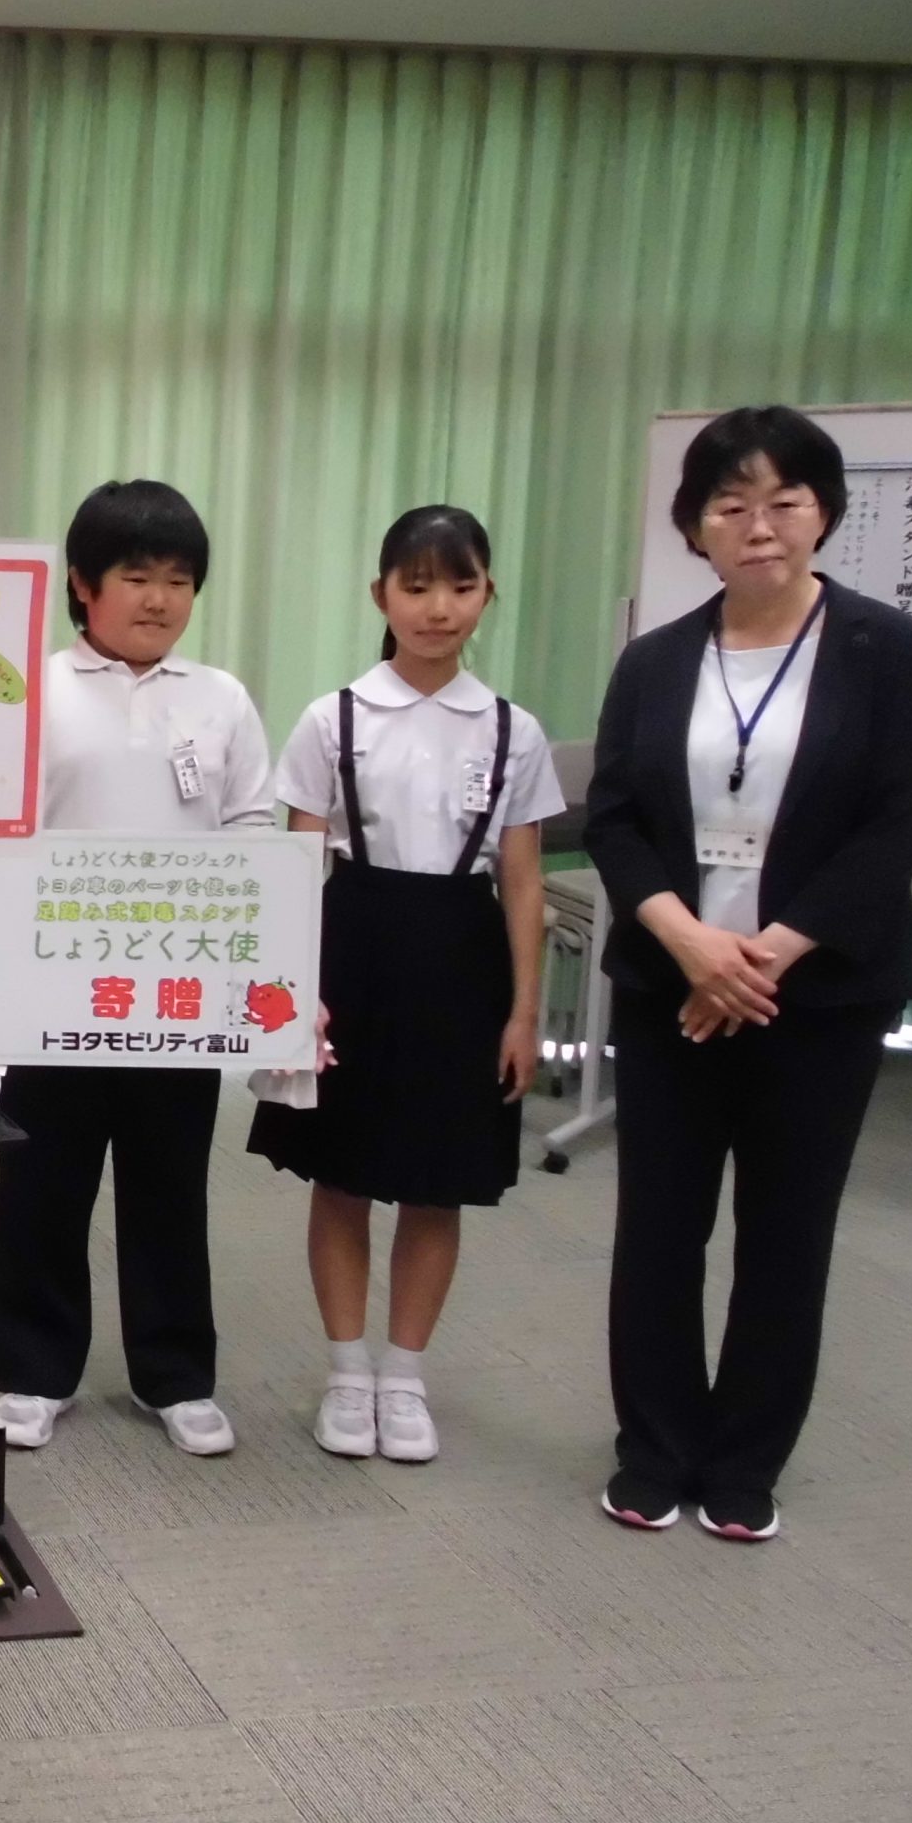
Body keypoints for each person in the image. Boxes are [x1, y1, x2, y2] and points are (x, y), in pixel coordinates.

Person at [586, 404, 912, 1542]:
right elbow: (620, 816)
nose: (759, 524)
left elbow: (898, 824)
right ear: (695, 526)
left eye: (783, 500)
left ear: (822, 512)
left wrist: (770, 951)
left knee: (786, 1232)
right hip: (672, 990)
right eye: (731, 504)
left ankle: (743, 1460)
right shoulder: (657, 660)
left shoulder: (891, 652)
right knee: (659, 1225)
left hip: (815, 995)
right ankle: (654, 1447)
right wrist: (688, 940)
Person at [0, 480, 275, 1457]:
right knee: (43, 1179)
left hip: (174, 993)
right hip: (53, 990)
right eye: (137, 576)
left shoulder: (218, 700)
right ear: (84, 585)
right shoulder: (26, 690)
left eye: (179, 580)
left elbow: (252, 829)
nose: (159, 599)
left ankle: (175, 1374)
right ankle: (33, 1372)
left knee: (170, 1180)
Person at [247, 507, 561, 1464]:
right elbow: (295, 871)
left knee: (439, 1185)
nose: (437, 608)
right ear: (380, 595)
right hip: (355, 956)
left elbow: (523, 880)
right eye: (416, 586)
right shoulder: (331, 717)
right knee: (341, 1177)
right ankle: (347, 1374)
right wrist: (295, 997)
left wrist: (522, 1010)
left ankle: (404, 1376)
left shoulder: (512, 729)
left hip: (463, 966)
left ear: (487, 596)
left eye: (459, 586)